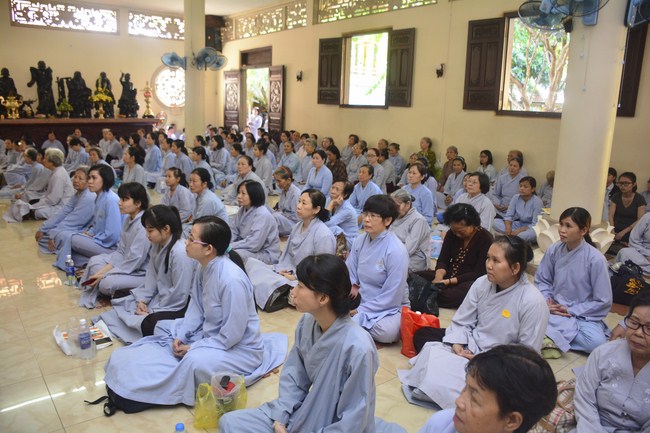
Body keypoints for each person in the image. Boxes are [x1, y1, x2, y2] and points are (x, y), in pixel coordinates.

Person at [102, 216, 288, 408]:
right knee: (164, 327)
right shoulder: (203, 267)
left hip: (238, 349)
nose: (186, 242)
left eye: (191, 239)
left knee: (194, 361)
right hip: (210, 336)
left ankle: (153, 390)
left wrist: (194, 347)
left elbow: (232, 335)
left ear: (208, 249)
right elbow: (196, 309)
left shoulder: (232, 281)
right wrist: (182, 335)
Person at [219, 254, 406, 433]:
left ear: (323, 298)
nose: (293, 292)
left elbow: (354, 417)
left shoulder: (359, 348)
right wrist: (281, 417)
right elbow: (294, 377)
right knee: (230, 423)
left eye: (300, 286)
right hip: (303, 412)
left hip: (337, 426)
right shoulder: (307, 322)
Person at [400, 235, 548, 410]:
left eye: (496, 261)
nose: (489, 265)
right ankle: (439, 383)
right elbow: (463, 320)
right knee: (424, 337)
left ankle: (443, 388)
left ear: (515, 268)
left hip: (500, 363)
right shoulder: (482, 283)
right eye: (488, 258)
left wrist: (484, 359)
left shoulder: (532, 302)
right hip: (471, 345)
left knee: (493, 384)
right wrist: (458, 342)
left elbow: (526, 356)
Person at [99, 205, 195, 343]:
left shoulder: (180, 252)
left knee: (148, 322)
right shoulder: (157, 244)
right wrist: (143, 300)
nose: (147, 235)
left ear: (166, 229)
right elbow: (152, 276)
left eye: (150, 230)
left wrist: (155, 310)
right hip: (161, 296)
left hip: (176, 302)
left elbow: (180, 293)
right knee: (126, 303)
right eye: (146, 230)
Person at [417, 345, 557, 433]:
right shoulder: (442, 423)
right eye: (465, 388)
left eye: (474, 398)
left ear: (511, 420)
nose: (458, 401)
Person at [534, 207, 612, 358]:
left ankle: (549, 335)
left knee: (596, 342)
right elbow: (543, 280)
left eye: (568, 226)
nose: (562, 230)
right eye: (561, 224)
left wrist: (570, 310)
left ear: (583, 230)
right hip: (555, 308)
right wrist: (547, 302)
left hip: (582, 314)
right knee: (523, 312)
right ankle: (551, 335)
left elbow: (603, 300)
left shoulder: (596, 259)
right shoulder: (554, 249)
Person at [573, 290, 650, 432]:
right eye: (634, 322)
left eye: (649, 328)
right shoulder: (603, 353)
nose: (638, 333)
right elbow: (584, 399)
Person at [247, 190, 336, 311]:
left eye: (304, 203)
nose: (298, 206)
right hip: (288, 272)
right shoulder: (297, 226)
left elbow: (322, 271)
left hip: (305, 281)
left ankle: (284, 292)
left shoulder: (324, 235)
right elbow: (287, 256)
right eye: (299, 201)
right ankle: (278, 291)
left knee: (295, 292)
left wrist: (296, 278)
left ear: (316, 209)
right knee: (251, 263)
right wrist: (283, 269)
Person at [346, 195, 409, 343]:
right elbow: (350, 272)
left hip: (388, 307)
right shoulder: (359, 241)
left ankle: (354, 322)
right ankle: (355, 322)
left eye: (373, 216)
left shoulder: (396, 250)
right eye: (365, 214)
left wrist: (360, 311)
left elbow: (393, 294)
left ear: (387, 221)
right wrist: (348, 299)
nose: (367, 219)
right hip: (360, 298)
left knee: (387, 332)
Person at [79, 183, 151, 308]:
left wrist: (105, 274)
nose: (119, 203)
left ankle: (123, 291)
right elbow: (121, 251)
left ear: (138, 203)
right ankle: (103, 282)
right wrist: (102, 272)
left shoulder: (143, 225)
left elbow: (135, 260)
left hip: (139, 271)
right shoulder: (128, 219)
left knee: (105, 284)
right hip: (125, 263)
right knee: (94, 261)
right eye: (120, 198)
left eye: (125, 199)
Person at [416, 204, 493, 309]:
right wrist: (439, 277)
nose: (457, 235)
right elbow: (443, 259)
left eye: (461, 231)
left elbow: (478, 273)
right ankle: (429, 294)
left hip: (468, 281)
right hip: (448, 275)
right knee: (415, 276)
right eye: (454, 231)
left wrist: (449, 281)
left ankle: (427, 294)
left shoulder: (485, 239)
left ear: (473, 225)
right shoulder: (451, 234)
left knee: (459, 295)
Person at [54, 164, 122, 270]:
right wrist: (89, 233)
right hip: (101, 240)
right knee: (70, 253)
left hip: (111, 247)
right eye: (89, 178)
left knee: (72, 239)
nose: (90, 181)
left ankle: (100, 263)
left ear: (105, 180)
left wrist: (94, 238)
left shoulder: (111, 200)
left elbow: (113, 235)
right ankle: (92, 264)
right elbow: (96, 225)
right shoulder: (99, 198)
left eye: (94, 178)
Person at [35, 166, 95, 255]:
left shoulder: (88, 197)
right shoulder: (78, 194)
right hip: (77, 224)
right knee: (47, 232)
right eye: (75, 177)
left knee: (57, 236)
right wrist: (44, 228)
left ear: (88, 181)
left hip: (88, 229)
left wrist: (54, 233)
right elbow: (63, 211)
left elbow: (75, 220)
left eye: (80, 179)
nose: (76, 180)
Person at [231, 180, 280, 264]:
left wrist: (232, 246)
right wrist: (228, 244)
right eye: (239, 193)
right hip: (245, 247)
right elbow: (233, 230)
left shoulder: (262, 214)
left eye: (243, 193)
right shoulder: (242, 209)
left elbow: (254, 244)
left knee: (235, 255)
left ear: (253, 195)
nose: (239, 196)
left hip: (264, 253)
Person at [390, 189, 431, 272]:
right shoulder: (394, 215)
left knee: (388, 269)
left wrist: (388, 258)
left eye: (397, 206)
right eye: (392, 206)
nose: (394, 209)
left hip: (414, 258)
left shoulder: (418, 220)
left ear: (408, 204)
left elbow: (409, 249)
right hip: (394, 253)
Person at [493, 176, 543, 243]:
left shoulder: (538, 202)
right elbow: (508, 216)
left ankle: (511, 237)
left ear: (533, 189)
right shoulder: (515, 197)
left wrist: (519, 230)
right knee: (494, 222)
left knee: (524, 235)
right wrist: (508, 228)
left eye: (525, 187)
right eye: (520, 186)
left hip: (529, 228)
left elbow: (535, 224)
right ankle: (512, 236)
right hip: (518, 224)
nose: (522, 188)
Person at [609, 171, 647, 244]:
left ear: (634, 184)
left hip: (632, 229)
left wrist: (623, 232)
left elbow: (640, 220)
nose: (622, 186)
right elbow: (611, 215)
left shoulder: (639, 199)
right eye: (620, 183)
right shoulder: (616, 196)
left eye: (626, 183)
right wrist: (612, 230)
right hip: (616, 227)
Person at [186, 168, 228, 232]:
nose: (190, 184)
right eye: (190, 180)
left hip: (217, 232)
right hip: (206, 228)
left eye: (194, 181)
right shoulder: (200, 195)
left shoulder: (207, 200)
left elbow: (199, 225)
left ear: (204, 184)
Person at [325, 180, 359, 251]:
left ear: (345, 195)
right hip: (336, 236)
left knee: (330, 228)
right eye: (332, 187)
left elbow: (326, 224)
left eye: (337, 189)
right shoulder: (329, 200)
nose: (333, 191)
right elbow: (322, 219)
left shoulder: (347, 209)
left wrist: (331, 205)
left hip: (348, 240)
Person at [616, 212, 650, 276]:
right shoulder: (647, 217)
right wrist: (646, 254)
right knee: (624, 252)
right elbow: (634, 239)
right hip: (642, 254)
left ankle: (636, 269)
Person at [272, 166, 301, 237]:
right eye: (276, 181)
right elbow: (281, 209)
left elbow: (297, 217)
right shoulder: (284, 191)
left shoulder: (295, 194)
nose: (277, 184)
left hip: (293, 224)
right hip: (285, 218)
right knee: (265, 208)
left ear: (288, 180)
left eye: (279, 181)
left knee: (275, 216)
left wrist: (282, 215)